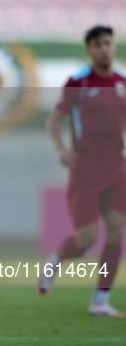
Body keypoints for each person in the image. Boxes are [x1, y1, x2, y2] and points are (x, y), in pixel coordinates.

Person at [38, 25, 126, 317]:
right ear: (90, 49)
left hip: (117, 167)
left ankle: (100, 300)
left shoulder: (122, 81)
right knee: (86, 238)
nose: (105, 49)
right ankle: (56, 258)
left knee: (116, 232)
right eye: (98, 44)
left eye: (108, 44)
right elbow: (54, 119)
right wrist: (62, 150)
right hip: (86, 170)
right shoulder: (78, 82)